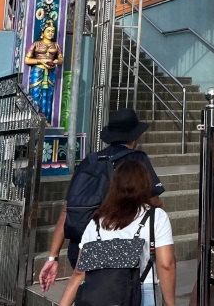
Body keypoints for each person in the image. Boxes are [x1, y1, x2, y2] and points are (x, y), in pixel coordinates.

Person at [39, 109, 165, 292]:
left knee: (90, 298)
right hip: (120, 247)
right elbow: (155, 203)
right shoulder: (137, 160)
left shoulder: (90, 160)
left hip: (80, 248)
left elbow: (66, 211)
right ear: (134, 137)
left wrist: (53, 257)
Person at [58, 161, 175, 306]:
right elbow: (166, 264)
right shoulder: (156, 217)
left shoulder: (97, 222)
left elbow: (79, 273)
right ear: (145, 185)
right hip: (142, 293)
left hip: (99, 294)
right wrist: (170, 303)